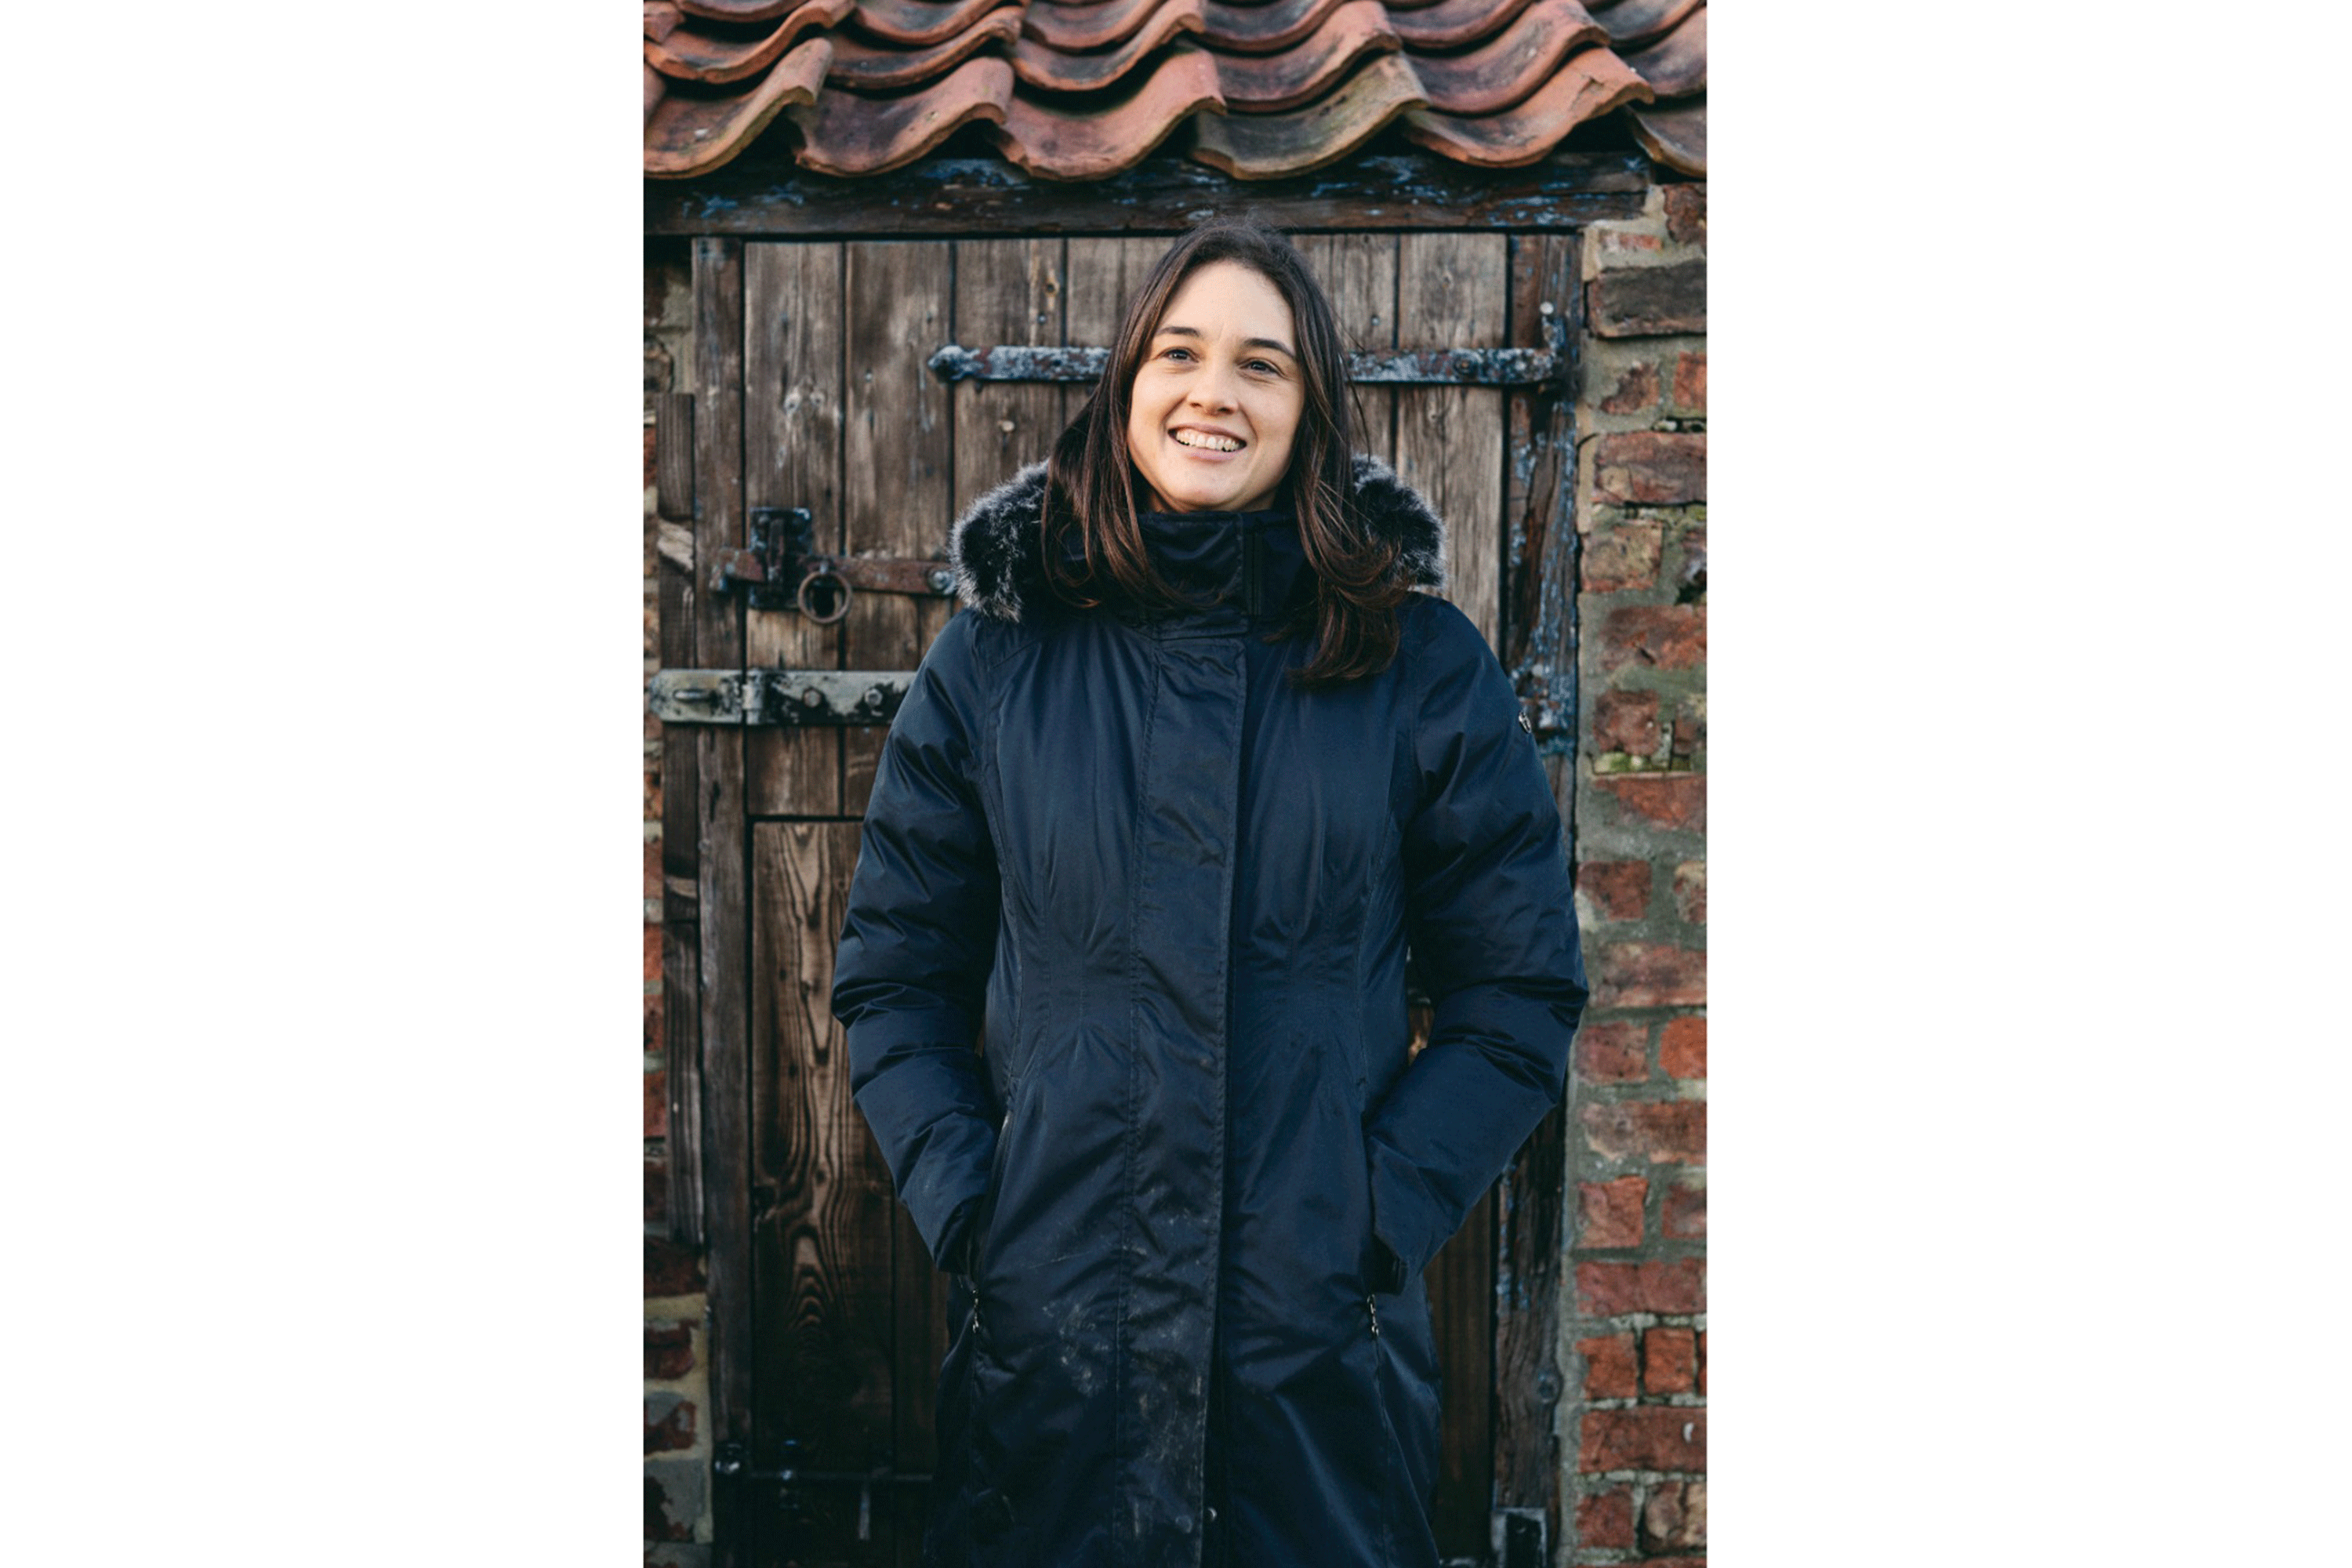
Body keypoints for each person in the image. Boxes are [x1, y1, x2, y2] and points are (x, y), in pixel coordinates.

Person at [830, 215, 1588, 1568]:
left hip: (1308, 1361)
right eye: (1179, 354)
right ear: (1127, 385)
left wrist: (1374, 1214)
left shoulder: (1416, 666)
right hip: (1055, 1343)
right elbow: (895, 975)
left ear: (1310, 410)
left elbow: (1515, 990)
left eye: (1263, 365)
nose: (1213, 394)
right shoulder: (996, 663)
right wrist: (975, 1205)